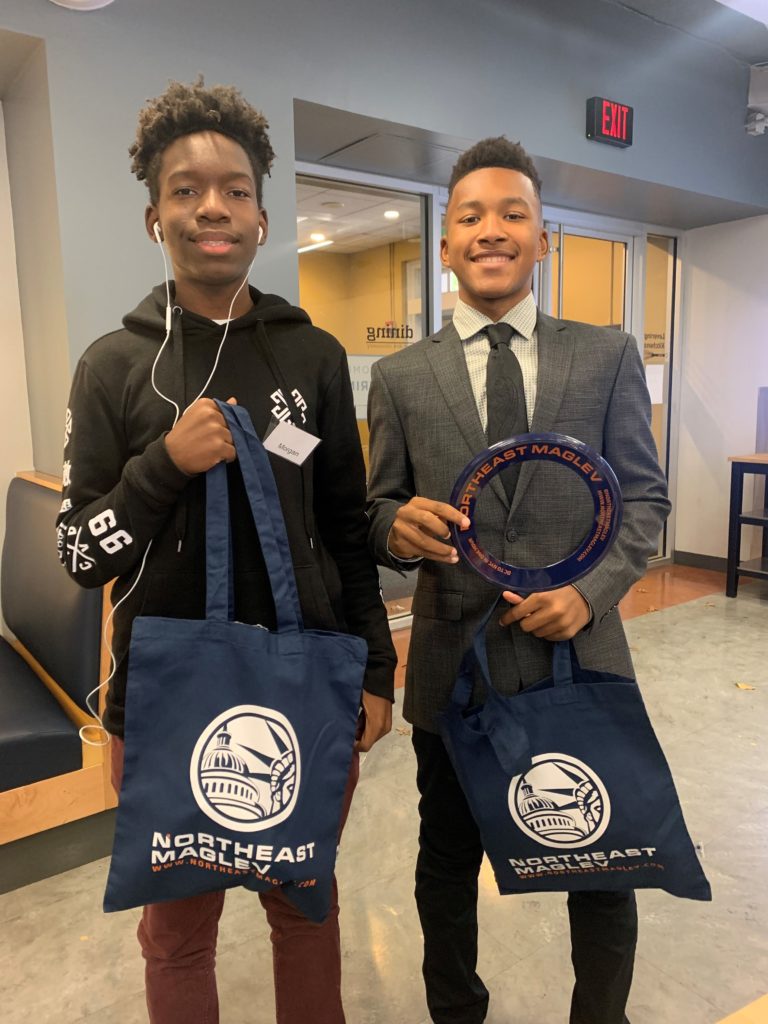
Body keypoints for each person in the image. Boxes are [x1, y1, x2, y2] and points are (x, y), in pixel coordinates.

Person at [57, 77, 396, 1024]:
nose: (213, 205)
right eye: (185, 188)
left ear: (259, 211)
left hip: (305, 685)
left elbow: (342, 529)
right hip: (163, 701)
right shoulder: (113, 366)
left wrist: (377, 668)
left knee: (306, 906)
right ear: (154, 214)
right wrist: (161, 466)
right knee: (176, 936)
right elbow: (81, 552)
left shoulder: (313, 355)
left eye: (236, 188)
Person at [366, 136, 671, 1024]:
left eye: (513, 214)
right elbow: (376, 508)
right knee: (447, 864)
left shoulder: (607, 355)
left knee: (603, 866)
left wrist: (592, 592)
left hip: (582, 653)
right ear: (447, 243)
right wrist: (398, 526)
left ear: (545, 241)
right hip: (451, 667)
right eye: (470, 217)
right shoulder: (399, 375)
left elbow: (644, 500)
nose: (490, 230)